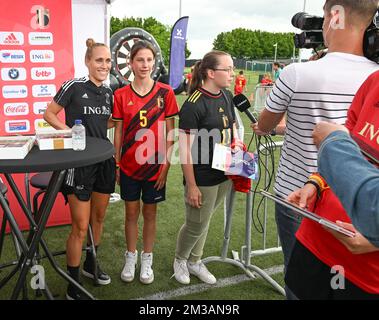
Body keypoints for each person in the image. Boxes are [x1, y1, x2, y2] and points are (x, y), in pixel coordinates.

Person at [252, 0, 379, 299]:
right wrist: (316, 181)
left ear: (335, 16)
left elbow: (265, 125)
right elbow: (360, 148)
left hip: (301, 202)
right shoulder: (372, 79)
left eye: (323, 17)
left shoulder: (297, 74)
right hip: (314, 206)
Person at [285, 70, 379, 300]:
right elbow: (352, 149)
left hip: (368, 274)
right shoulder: (374, 80)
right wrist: (316, 182)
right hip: (316, 239)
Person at [44, 38, 115, 300]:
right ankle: (73, 286)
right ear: (87, 61)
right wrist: (70, 132)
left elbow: (105, 123)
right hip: (79, 164)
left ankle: (90, 264)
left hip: (105, 161)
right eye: (99, 60)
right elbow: (49, 114)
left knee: (98, 219)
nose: (104, 65)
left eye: (108, 61)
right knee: (80, 226)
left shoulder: (109, 92)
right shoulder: (73, 86)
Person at [172, 50, 242, 285]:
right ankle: (180, 260)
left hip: (224, 171)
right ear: (211, 73)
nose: (232, 74)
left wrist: (237, 142)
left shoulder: (226, 95)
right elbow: (184, 149)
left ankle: (195, 260)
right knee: (196, 223)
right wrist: (191, 185)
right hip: (201, 176)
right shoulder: (193, 105)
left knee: (206, 218)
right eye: (228, 69)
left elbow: (231, 125)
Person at [113, 40, 179, 285]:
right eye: (140, 59)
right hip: (129, 166)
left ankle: (146, 259)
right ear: (130, 63)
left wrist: (166, 166)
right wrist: (117, 163)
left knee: (150, 213)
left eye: (149, 60)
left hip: (155, 168)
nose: (145, 64)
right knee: (131, 213)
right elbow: (118, 133)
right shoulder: (120, 94)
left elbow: (171, 133)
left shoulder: (165, 93)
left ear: (154, 62)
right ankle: (131, 257)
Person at [314, 123, 379, 243]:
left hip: (366, 249)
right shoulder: (365, 103)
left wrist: (332, 142)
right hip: (319, 230)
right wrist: (315, 181)